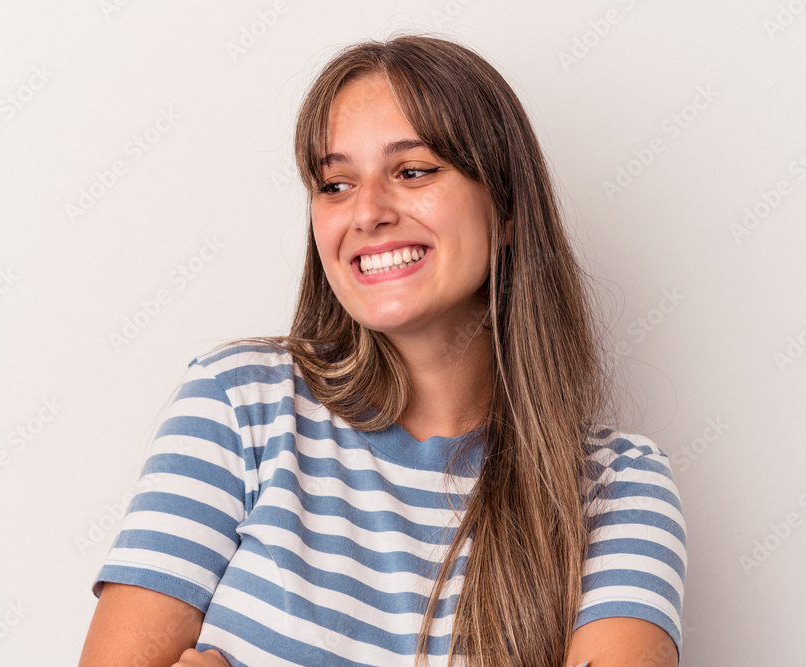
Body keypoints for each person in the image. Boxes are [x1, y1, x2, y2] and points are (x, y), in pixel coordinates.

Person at [78, 33, 687, 667]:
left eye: (413, 171)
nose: (366, 212)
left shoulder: (618, 489)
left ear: (505, 208)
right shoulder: (239, 405)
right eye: (335, 184)